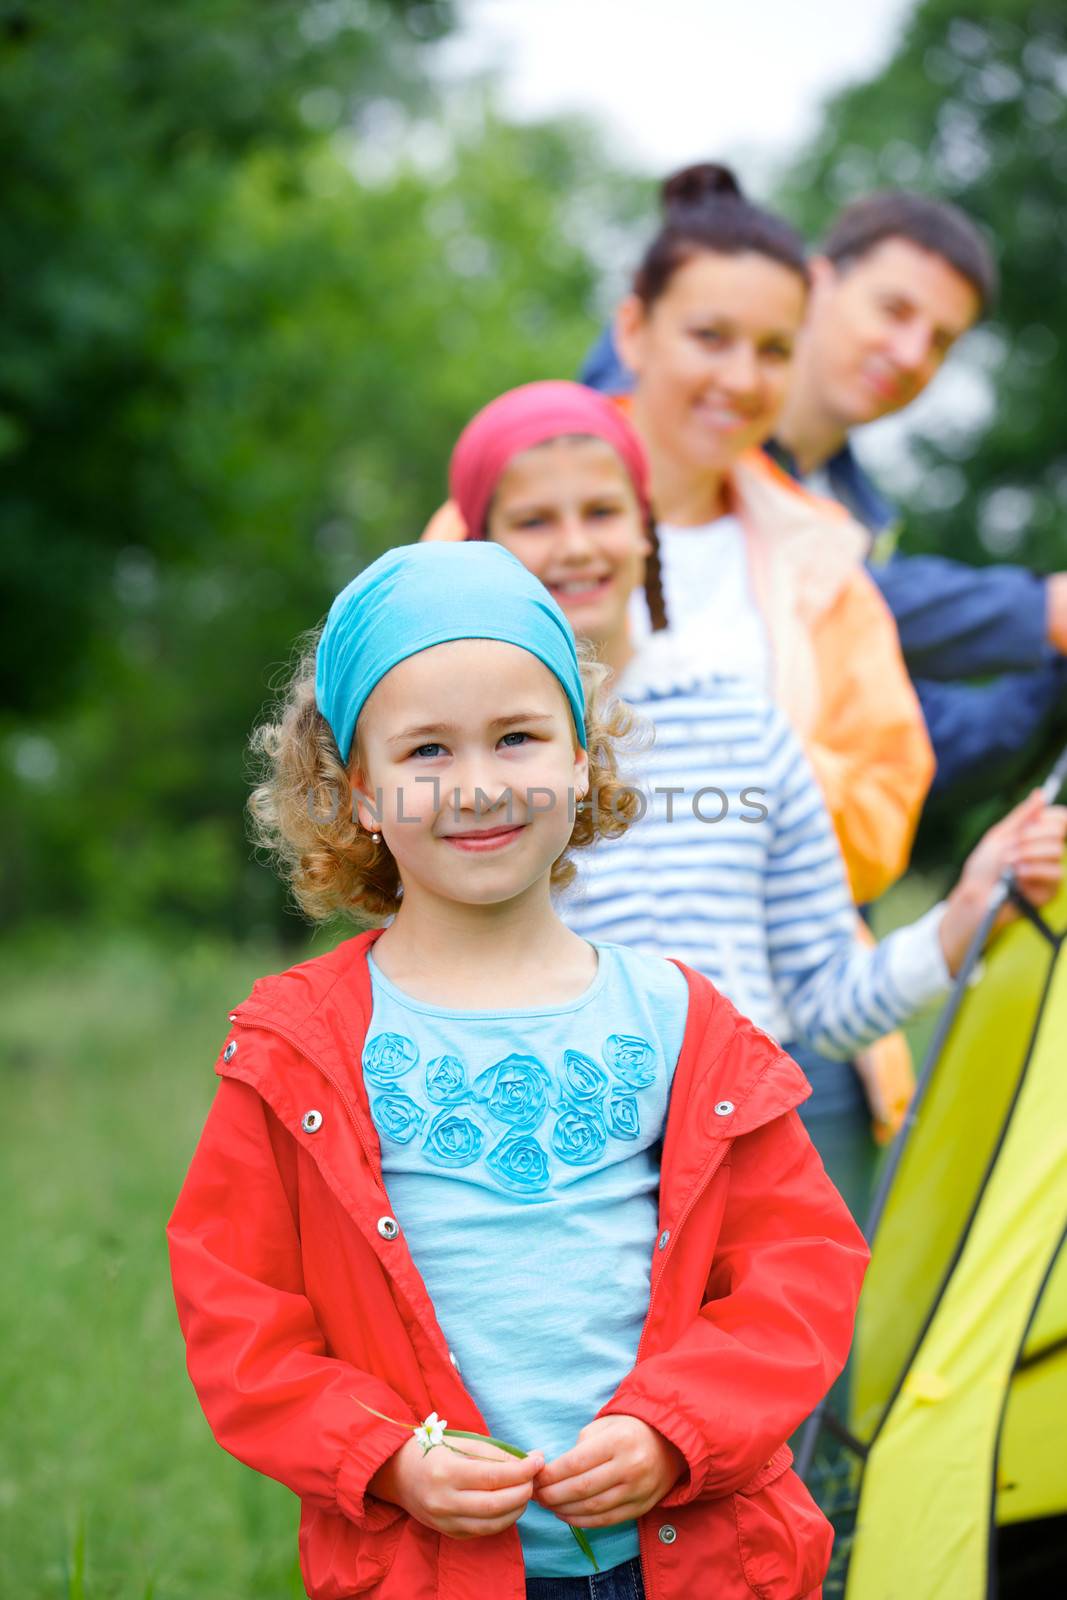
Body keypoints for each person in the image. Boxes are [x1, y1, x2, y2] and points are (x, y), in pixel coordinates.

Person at [167, 540, 870, 1600]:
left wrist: (674, 1430)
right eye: (426, 753)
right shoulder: (297, 1044)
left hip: (688, 1559)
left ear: (580, 757)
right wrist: (387, 1458)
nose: (480, 785)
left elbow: (796, 1271)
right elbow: (241, 1318)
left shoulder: (682, 1019)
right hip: (430, 1568)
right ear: (357, 791)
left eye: (516, 737)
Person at [439, 380, 1067, 1217]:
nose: (575, 546)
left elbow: (821, 1002)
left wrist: (956, 922)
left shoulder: (746, 727)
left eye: (602, 510)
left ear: (646, 529)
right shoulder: (450, 765)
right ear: (480, 545)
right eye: (533, 522)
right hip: (548, 1207)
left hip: (753, 1196)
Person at [430, 168, 936, 914]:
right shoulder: (487, 524)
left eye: (773, 349)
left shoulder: (822, 563)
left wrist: (730, 759)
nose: (739, 378)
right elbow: (415, 765)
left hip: (758, 1001)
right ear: (633, 330)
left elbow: (881, 815)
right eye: (709, 337)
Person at [582, 182, 1067, 802]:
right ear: (814, 285)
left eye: (942, 340)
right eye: (895, 310)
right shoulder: (650, 434)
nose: (912, 353)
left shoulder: (858, 513)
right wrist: (1041, 610)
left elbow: (911, 740)